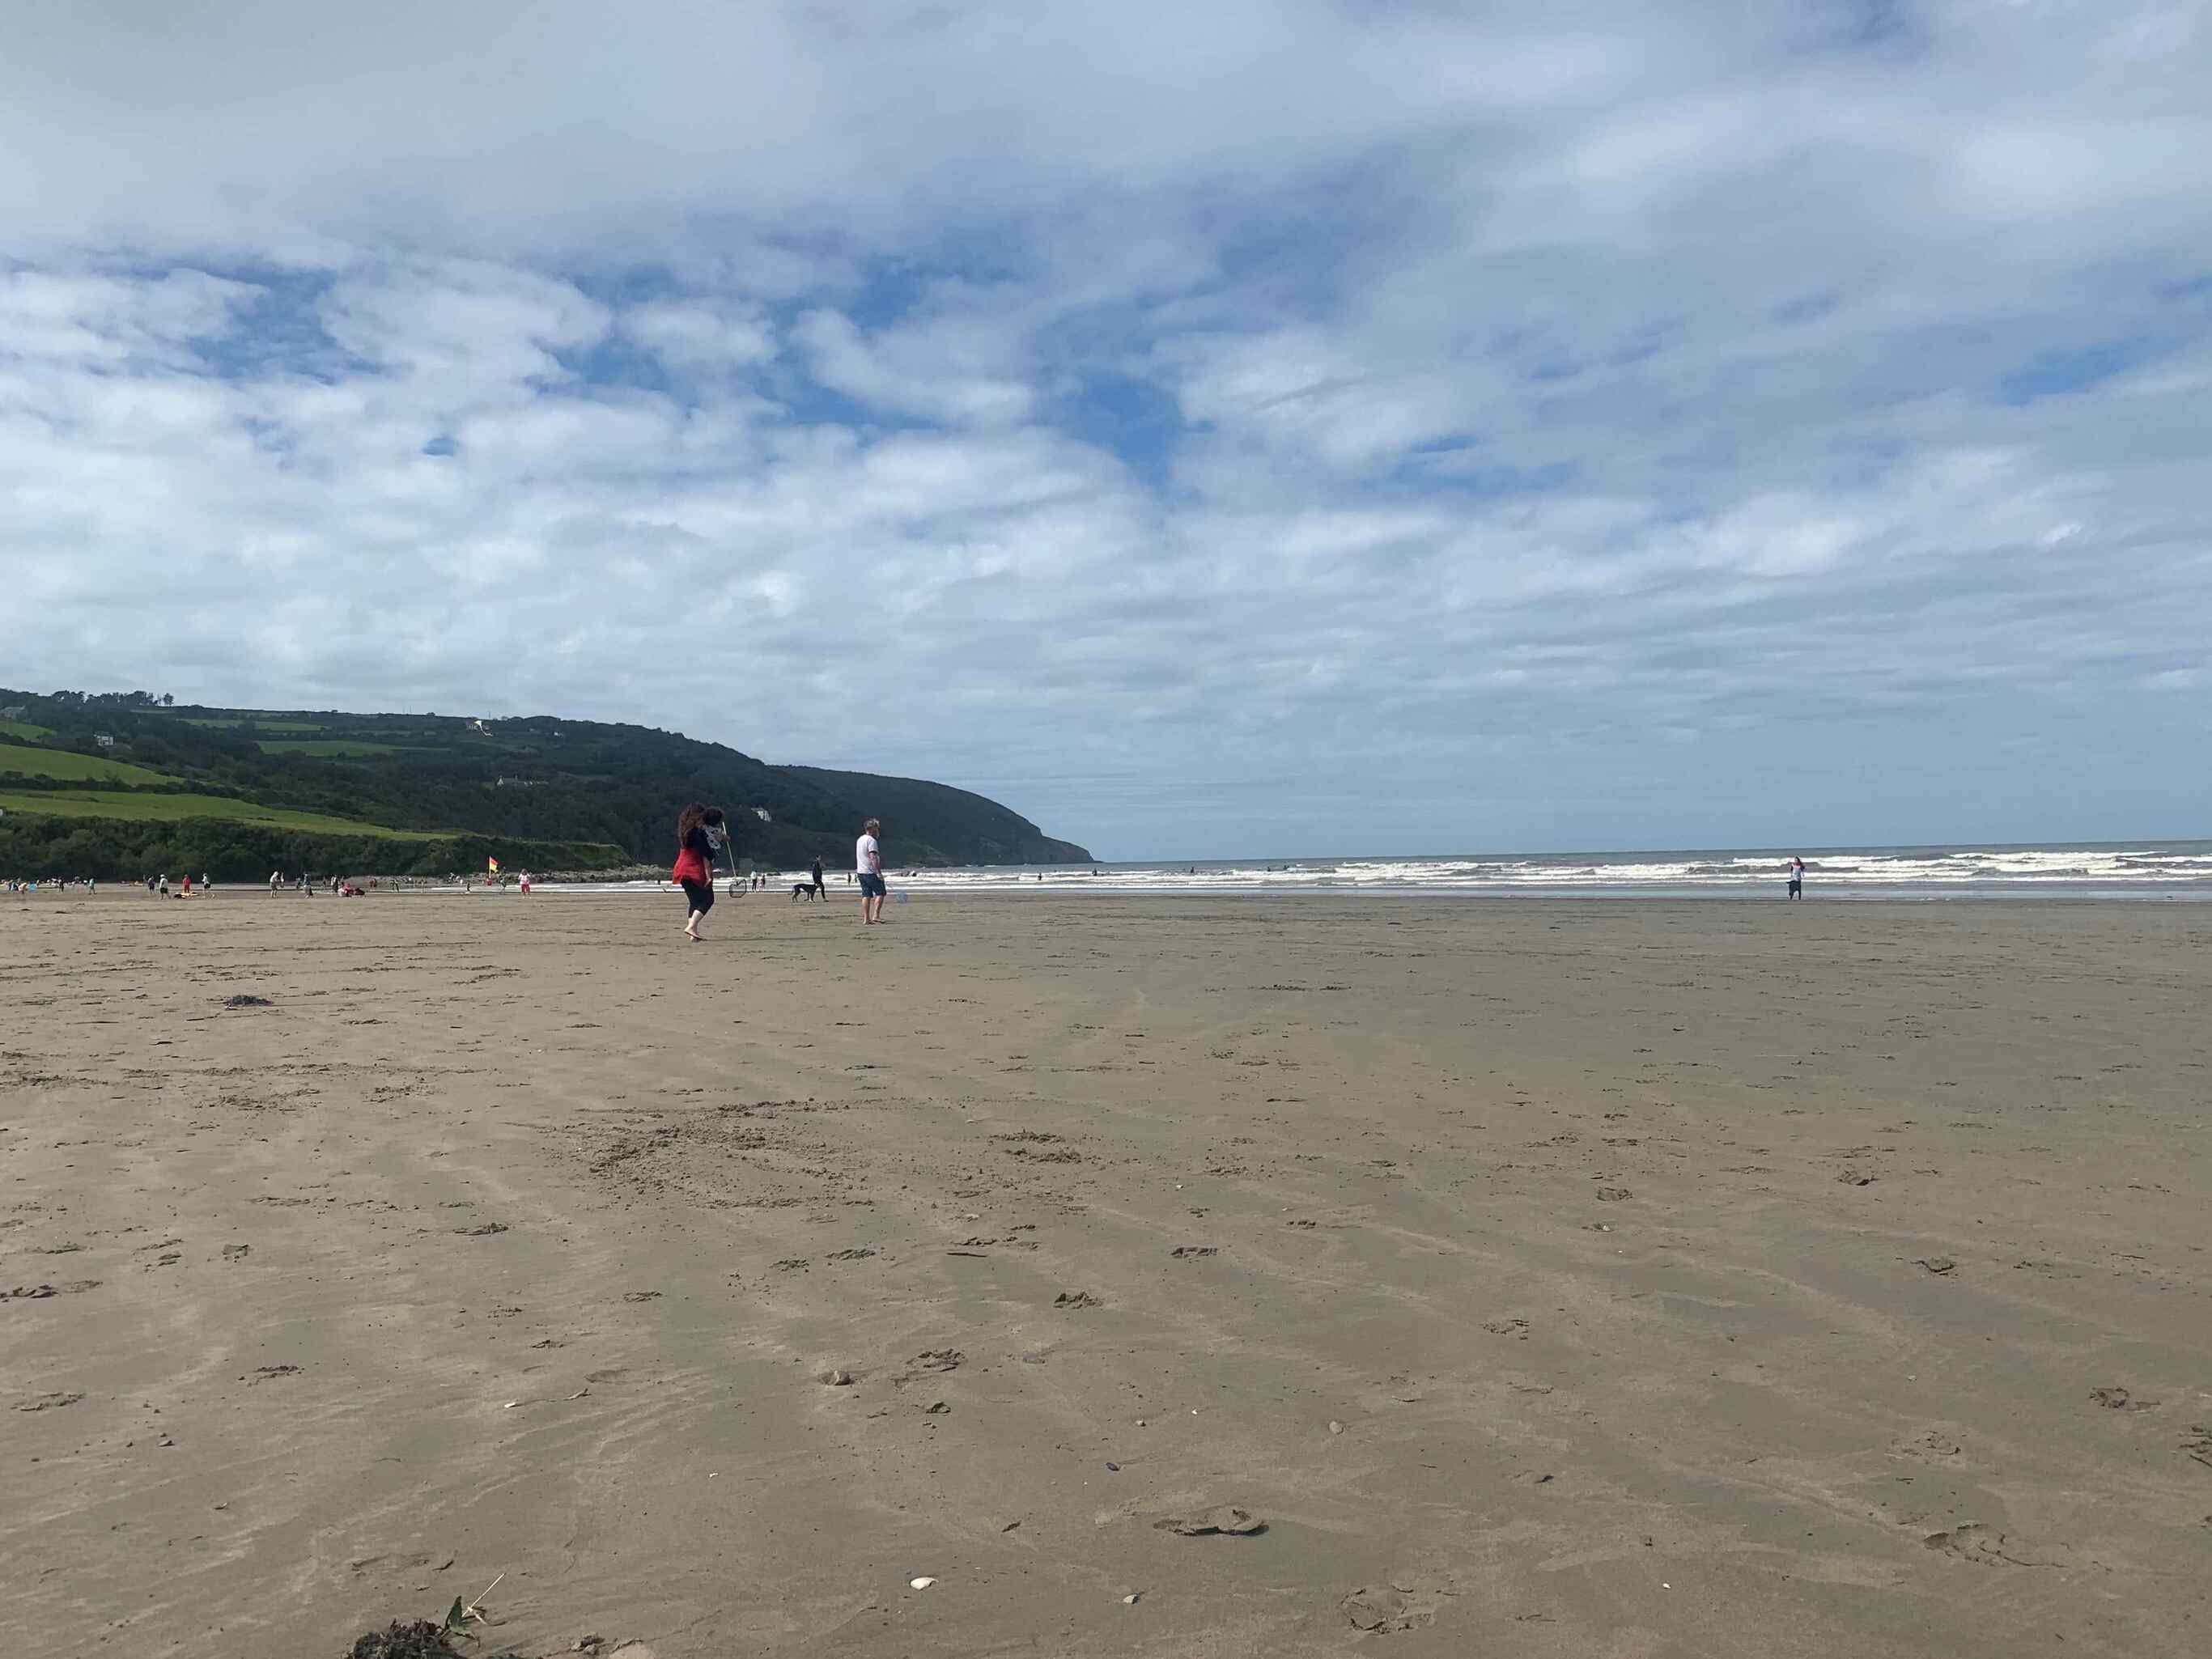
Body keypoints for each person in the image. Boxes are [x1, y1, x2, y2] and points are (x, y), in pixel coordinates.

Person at [673, 802, 724, 940]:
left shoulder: (685, 831)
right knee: (708, 899)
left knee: (695, 901)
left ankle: (693, 934)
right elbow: (706, 854)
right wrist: (709, 876)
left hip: (681, 868)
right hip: (694, 869)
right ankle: (691, 927)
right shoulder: (698, 833)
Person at [856, 817, 887, 924]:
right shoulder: (872, 840)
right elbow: (873, 857)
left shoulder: (860, 839)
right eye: (877, 828)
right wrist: (878, 873)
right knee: (881, 892)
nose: (878, 831)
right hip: (870, 872)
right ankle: (876, 916)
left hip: (860, 872)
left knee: (866, 895)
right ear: (872, 829)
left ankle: (866, 919)